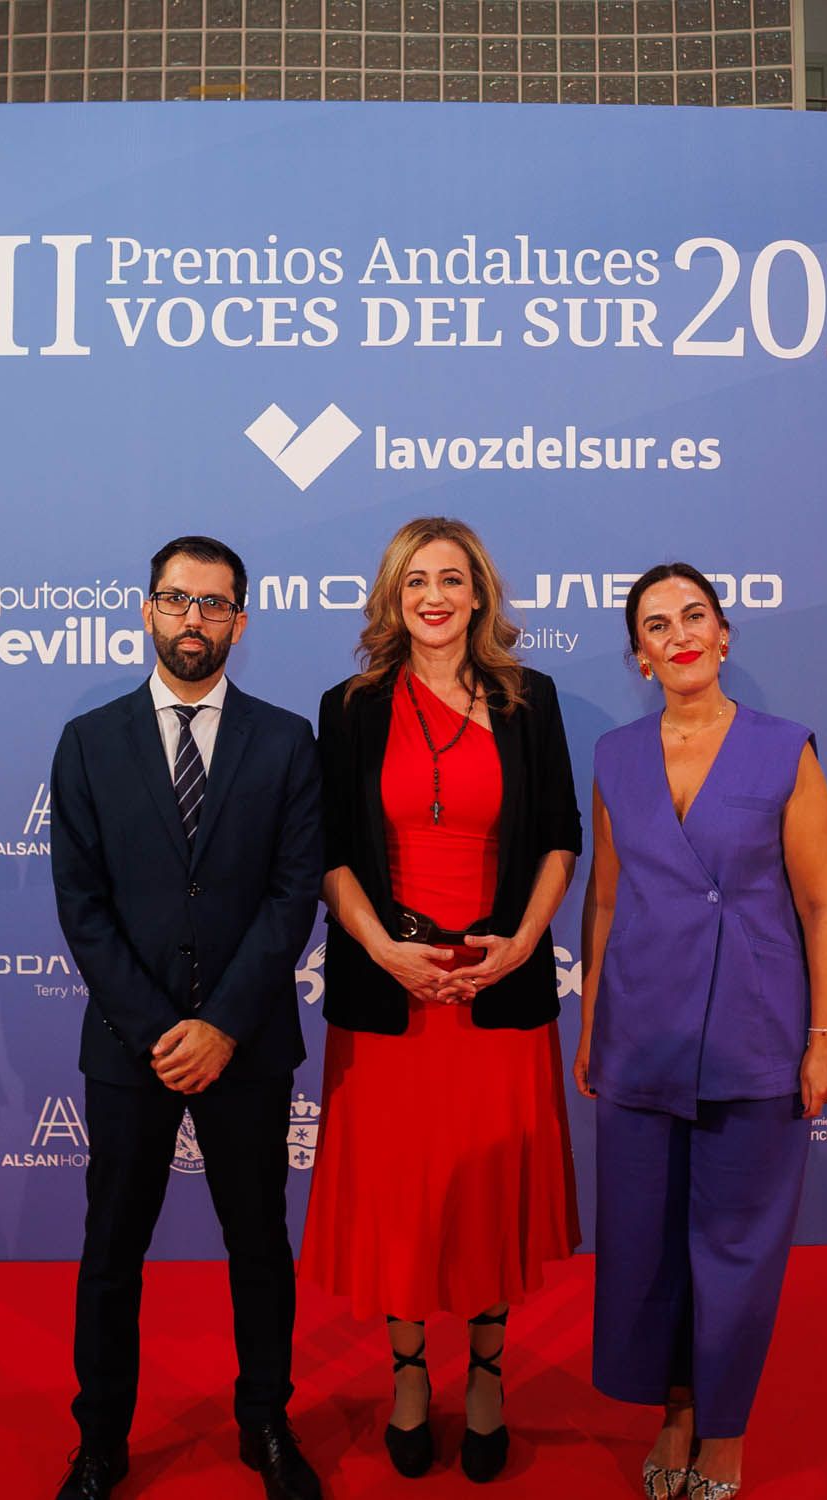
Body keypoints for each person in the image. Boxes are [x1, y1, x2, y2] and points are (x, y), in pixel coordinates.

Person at [300, 516, 583, 1484]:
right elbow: (330, 851)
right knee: (406, 1197)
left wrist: (520, 947)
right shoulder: (349, 706)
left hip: (494, 991)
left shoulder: (528, 698)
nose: (434, 596)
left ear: (479, 596)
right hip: (393, 997)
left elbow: (558, 836)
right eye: (415, 579)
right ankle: (412, 1370)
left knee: (488, 1193)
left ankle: (492, 1371)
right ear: (392, 596)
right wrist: (383, 950)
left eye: (452, 579)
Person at [49, 536, 326, 1500]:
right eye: (177, 600)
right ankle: (101, 1443)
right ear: (146, 610)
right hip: (131, 1049)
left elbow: (295, 896)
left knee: (259, 1246)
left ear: (240, 621)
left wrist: (224, 1026)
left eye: (214, 605)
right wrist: (161, 1028)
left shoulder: (288, 739)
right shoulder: (88, 741)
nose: (194, 619)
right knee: (111, 1252)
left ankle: (267, 1426)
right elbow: (80, 904)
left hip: (246, 1048)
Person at [576, 562, 827, 1500]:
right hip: (643, 1032)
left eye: (694, 616)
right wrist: (592, 1027)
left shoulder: (784, 749)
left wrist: (826, 1036)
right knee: (647, 1246)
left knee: (736, 1247)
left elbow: (822, 906)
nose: (679, 634)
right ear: (640, 655)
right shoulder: (615, 756)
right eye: (656, 625)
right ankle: (677, 1413)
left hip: (756, 1032)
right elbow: (605, 900)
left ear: (725, 636)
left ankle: (724, 1435)